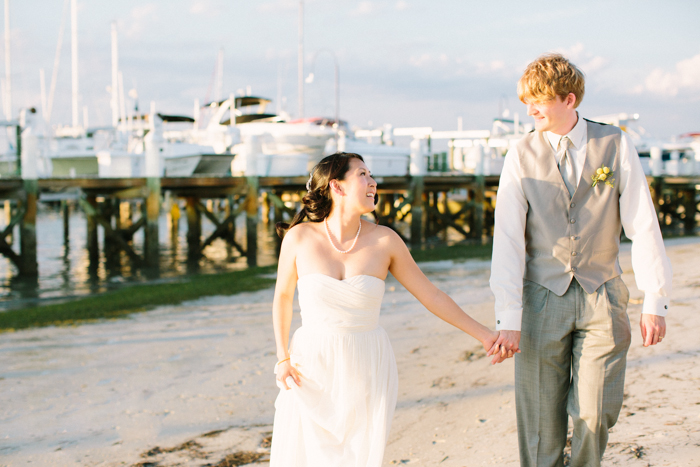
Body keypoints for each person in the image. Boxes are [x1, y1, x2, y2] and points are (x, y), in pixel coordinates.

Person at [489, 53, 673, 467]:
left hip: (602, 294)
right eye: (527, 101)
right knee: (538, 421)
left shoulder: (615, 143)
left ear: (568, 100)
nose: (530, 109)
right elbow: (507, 240)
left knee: (595, 411)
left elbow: (643, 224)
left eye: (538, 99)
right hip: (540, 299)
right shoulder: (520, 154)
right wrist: (508, 317)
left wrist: (655, 299)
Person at [270, 152, 506, 467]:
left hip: (365, 363)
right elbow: (283, 297)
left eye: (371, 174)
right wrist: (282, 357)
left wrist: (485, 335)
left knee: (358, 456)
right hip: (309, 366)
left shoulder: (385, 241)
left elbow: (431, 295)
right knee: (303, 455)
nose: (373, 182)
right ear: (337, 187)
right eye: (363, 175)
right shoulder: (299, 238)